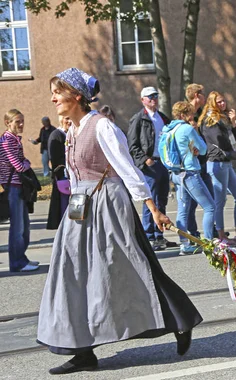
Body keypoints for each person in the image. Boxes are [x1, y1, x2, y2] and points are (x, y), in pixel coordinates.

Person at [37, 68, 202, 375]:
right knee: (72, 274)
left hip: (108, 205)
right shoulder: (71, 130)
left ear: (76, 96)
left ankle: (181, 320)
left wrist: (153, 208)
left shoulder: (102, 127)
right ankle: (81, 350)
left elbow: (128, 170)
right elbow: (75, 177)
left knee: (131, 267)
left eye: (57, 92)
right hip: (81, 210)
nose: (53, 98)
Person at [127, 86, 176, 251]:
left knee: (162, 199)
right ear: (143, 100)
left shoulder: (162, 118)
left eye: (155, 96)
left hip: (163, 163)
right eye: (149, 97)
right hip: (150, 165)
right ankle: (149, 236)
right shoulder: (139, 119)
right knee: (151, 200)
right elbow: (132, 145)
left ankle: (159, 234)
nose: (153, 99)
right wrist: (144, 160)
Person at [199, 91, 236, 245]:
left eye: (223, 101)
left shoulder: (223, 118)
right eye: (219, 102)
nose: (222, 104)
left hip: (226, 161)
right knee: (220, 201)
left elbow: (232, 137)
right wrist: (233, 149)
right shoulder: (210, 120)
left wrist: (233, 123)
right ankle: (221, 236)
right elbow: (220, 140)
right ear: (212, 103)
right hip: (217, 162)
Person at [165, 101, 216, 245]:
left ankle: (184, 244)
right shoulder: (187, 128)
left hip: (176, 173)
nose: (192, 116)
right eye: (189, 113)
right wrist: (196, 136)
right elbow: (204, 149)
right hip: (189, 173)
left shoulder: (169, 129)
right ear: (183, 114)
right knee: (210, 207)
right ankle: (209, 244)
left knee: (183, 209)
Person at [0, 109, 39, 272]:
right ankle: (17, 263)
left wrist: (25, 163)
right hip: (12, 188)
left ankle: (22, 259)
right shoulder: (7, 140)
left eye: (22, 121)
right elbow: (19, 165)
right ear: (8, 123)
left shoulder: (14, 139)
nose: (21, 124)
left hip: (18, 187)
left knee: (24, 226)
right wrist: (27, 164)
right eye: (17, 121)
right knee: (18, 227)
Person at [46, 115, 70, 229]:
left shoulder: (70, 133)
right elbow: (54, 159)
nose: (69, 121)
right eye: (67, 118)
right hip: (63, 178)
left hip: (71, 177)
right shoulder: (56, 135)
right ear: (61, 119)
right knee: (63, 207)